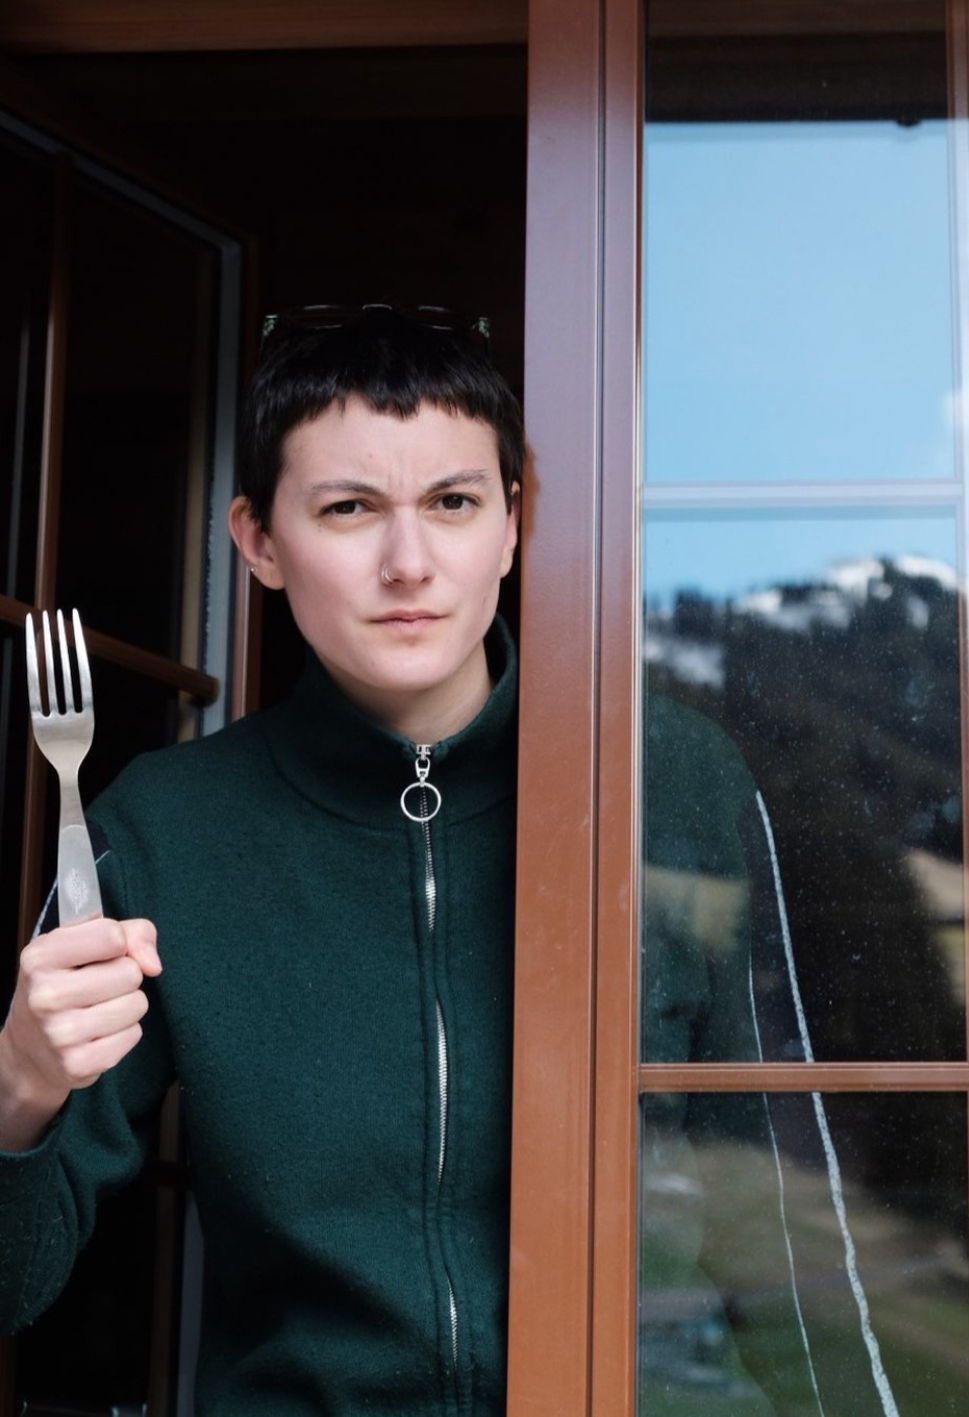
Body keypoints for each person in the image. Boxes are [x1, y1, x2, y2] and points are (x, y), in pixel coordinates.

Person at [0, 304, 523, 1416]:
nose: (409, 561)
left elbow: (787, 1201)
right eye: (349, 508)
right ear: (258, 542)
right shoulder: (160, 828)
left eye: (454, 502)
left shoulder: (662, 789)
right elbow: (12, 1289)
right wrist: (20, 1087)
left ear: (515, 523)